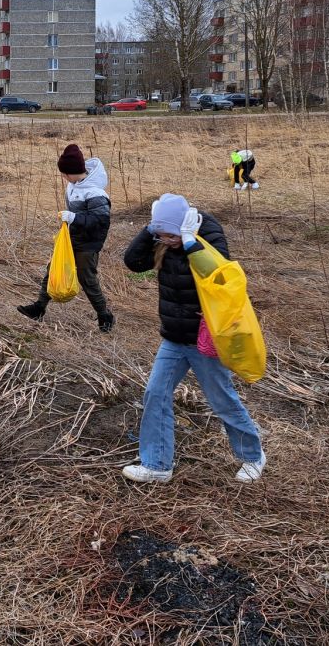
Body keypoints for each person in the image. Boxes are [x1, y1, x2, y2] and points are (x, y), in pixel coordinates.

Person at [121, 194, 265, 484]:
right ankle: (157, 465)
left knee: (221, 399)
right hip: (174, 337)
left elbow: (219, 275)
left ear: (184, 226)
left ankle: (252, 456)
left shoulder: (207, 234)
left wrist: (190, 242)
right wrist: (151, 230)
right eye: (160, 235)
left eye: (170, 234)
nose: (166, 240)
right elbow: (133, 262)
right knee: (155, 394)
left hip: (204, 340)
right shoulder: (162, 237)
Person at [17, 143, 115, 332]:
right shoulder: (73, 185)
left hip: (88, 244)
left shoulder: (95, 193)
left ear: (71, 172)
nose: (63, 177)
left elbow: (101, 221)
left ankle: (105, 315)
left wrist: (74, 218)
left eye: (64, 174)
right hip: (70, 239)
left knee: (87, 278)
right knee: (53, 269)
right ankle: (38, 308)